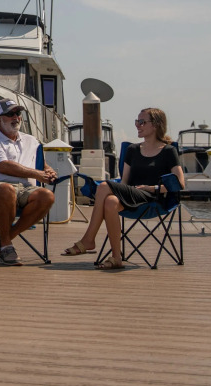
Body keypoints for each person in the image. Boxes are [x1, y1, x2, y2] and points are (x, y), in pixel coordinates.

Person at [62, 107, 185, 270]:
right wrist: (123, 192)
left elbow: (180, 183)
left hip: (153, 198)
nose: (137, 125)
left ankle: (88, 239)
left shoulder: (168, 151)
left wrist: (151, 188)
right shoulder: (132, 150)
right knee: (111, 201)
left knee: (104, 186)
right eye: (137, 121)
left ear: (156, 125)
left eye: (142, 122)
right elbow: (125, 182)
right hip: (131, 194)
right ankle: (116, 257)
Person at [0, 99, 57, 265]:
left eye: (18, 113)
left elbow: (41, 165)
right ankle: (6, 246)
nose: (16, 117)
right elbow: (3, 166)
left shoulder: (32, 141)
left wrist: (49, 170)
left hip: (26, 188)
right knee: (7, 190)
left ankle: (1, 239)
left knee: (47, 196)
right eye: (10, 114)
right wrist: (37, 174)